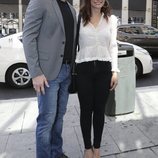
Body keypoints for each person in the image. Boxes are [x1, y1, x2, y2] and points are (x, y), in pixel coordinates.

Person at [23, 0, 76, 157]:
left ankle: (56, 153)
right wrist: (36, 73)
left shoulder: (71, 9)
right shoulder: (40, 2)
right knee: (46, 120)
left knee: (59, 118)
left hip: (67, 70)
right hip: (47, 74)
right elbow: (28, 37)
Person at [75, 0, 119, 157]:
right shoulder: (79, 18)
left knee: (99, 110)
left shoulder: (111, 20)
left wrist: (115, 71)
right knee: (86, 110)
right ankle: (87, 148)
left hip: (104, 70)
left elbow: (113, 46)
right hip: (83, 69)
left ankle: (97, 147)